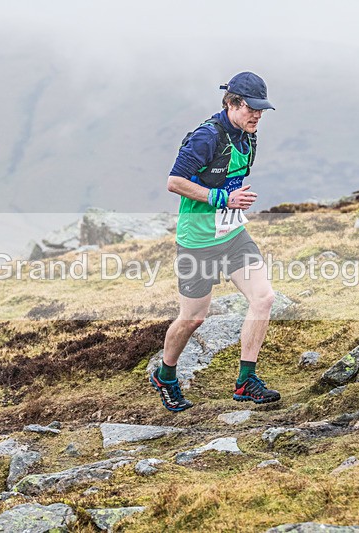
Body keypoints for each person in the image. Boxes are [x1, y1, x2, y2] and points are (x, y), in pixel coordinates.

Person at [150, 72, 281, 412]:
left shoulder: (248, 137)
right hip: (198, 240)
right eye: (251, 108)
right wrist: (222, 198)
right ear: (232, 103)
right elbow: (175, 182)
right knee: (194, 318)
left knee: (264, 298)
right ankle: (166, 374)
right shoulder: (206, 137)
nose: (257, 115)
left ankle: (245, 381)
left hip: (233, 234)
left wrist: (233, 200)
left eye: (261, 110)